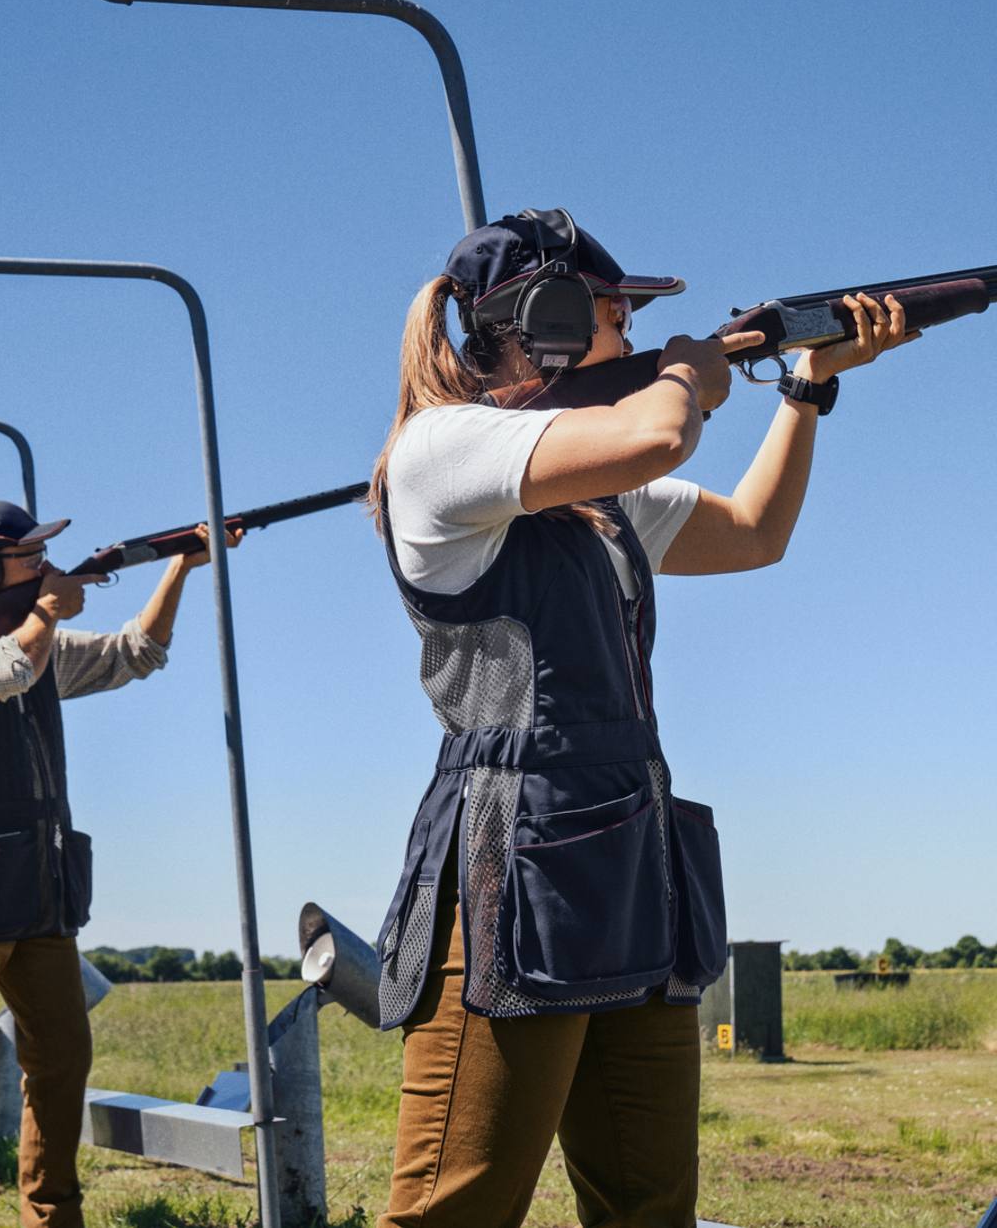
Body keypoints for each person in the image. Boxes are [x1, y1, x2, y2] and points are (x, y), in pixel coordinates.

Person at [368, 208, 916, 1228]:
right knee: (453, 1209)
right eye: (620, 311)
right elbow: (661, 426)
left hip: (632, 859)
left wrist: (805, 385)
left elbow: (755, 534)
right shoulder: (442, 449)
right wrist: (689, 371)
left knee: (648, 1206)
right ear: (558, 318)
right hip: (510, 872)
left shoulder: (603, 491)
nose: (635, 329)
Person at [0, 502, 241, 1228]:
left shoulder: (35, 635)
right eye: (27, 555)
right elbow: (12, 671)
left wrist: (181, 565)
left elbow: (136, 653)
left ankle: (53, 1217)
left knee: (63, 1061)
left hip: (39, 893)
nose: (44, 564)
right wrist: (45, 609)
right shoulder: (26, 642)